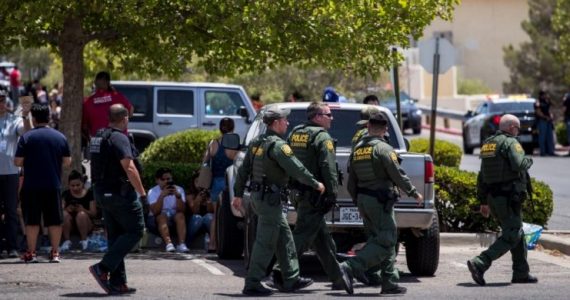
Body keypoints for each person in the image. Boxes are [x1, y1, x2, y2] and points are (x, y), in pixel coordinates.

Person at [231, 106, 325, 296]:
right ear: (275, 123)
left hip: (260, 198)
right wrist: (315, 184)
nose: (287, 123)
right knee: (265, 243)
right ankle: (252, 282)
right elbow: (296, 169)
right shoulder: (278, 146)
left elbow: (243, 171)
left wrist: (238, 194)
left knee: (285, 239)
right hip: (270, 201)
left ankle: (291, 278)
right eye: (284, 120)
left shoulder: (257, 143)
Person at [340, 110, 423, 295]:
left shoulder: (358, 150)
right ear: (385, 129)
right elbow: (397, 174)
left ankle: (389, 282)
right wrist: (413, 192)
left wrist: (358, 201)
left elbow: (351, 180)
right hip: (379, 201)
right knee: (387, 240)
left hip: (364, 200)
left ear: (368, 127)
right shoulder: (384, 149)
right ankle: (351, 266)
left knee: (378, 239)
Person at [273, 102, 352, 294]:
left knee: (322, 240)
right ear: (317, 117)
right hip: (315, 194)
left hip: (298, 193)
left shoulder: (295, 133)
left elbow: (288, 161)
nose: (331, 118)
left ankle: (338, 277)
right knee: (302, 236)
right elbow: (328, 166)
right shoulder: (322, 137)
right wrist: (332, 193)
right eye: (328, 114)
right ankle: (279, 272)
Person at [467, 114, 537, 286]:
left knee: (517, 233)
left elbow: (481, 176)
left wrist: (483, 201)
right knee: (512, 234)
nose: (518, 132)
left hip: (493, 198)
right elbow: (519, 164)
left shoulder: (489, 144)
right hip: (508, 197)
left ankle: (521, 273)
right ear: (512, 127)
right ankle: (480, 262)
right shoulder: (511, 142)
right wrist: (529, 160)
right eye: (518, 129)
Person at [88, 104, 147, 295]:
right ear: (125, 118)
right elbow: (129, 167)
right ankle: (103, 268)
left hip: (102, 194)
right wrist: (143, 193)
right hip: (120, 195)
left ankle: (118, 282)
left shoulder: (99, 137)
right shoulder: (119, 137)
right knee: (136, 230)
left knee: (116, 237)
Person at [15, 103, 71, 263]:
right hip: (52, 184)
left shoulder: (27, 137)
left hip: (31, 185)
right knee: (54, 220)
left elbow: (18, 161)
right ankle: (55, 253)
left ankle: (31, 252)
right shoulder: (60, 137)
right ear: (49, 116)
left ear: (33, 117)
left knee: (32, 220)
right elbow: (67, 161)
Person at [0, 91, 31, 258]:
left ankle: (12, 247)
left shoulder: (14, 119)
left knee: (11, 211)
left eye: (2, 100)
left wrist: (25, 116)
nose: (0, 103)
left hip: (11, 172)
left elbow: (26, 133)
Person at [202, 117, 238, 252]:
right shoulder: (233, 140)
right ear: (233, 128)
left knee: (216, 215)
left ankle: (212, 244)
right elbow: (236, 160)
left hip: (216, 182)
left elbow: (205, 161)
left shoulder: (213, 142)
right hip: (229, 182)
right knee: (230, 216)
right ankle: (226, 243)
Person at [146, 168, 189, 253]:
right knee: (161, 216)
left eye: (168, 179)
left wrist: (178, 196)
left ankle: (181, 244)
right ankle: (168, 243)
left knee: (180, 215)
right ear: (157, 180)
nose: (166, 181)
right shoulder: (152, 191)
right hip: (157, 219)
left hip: (174, 217)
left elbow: (182, 210)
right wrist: (162, 196)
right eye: (163, 179)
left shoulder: (179, 190)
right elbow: (155, 212)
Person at [82, 71, 133, 138]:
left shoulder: (88, 102)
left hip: (99, 141)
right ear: (108, 82)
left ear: (95, 82)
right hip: (119, 138)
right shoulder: (117, 96)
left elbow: (84, 126)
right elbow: (131, 110)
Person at [60, 170, 97, 252]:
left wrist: (83, 210)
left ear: (82, 184)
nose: (75, 188)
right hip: (70, 224)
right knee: (64, 214)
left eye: (78, 185)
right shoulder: (66, 194)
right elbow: (60, 210)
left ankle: (84, 241)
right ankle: (67, 241)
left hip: (86, 223)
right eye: (72, 186)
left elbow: (94, 213)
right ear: (69, 185)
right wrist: (67, 209)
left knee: (81, 214)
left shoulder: (89, 194)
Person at [185, 171, 214, 248]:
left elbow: (211, 211)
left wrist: (208, 200)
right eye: (197, 181)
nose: (199, 184)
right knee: (197, 218)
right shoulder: (190, 195)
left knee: (209, 216)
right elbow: (194, 211)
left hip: (206, 223)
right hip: (194, 223)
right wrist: (198, 200)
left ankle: (213, 242)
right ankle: (188, 243)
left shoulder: (211, 193)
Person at [534, 90, 555, 156]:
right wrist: (545, 117)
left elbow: (551, 108)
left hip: (548, 121)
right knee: (542, 137)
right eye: (544, 95)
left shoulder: (546, 101)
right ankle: (542, 152)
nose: (545, 96)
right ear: (541, 95)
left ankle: (550, 151)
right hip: (542, 120)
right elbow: (538, 111)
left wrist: (551, 116)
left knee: (550, 137)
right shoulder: (538, 102)